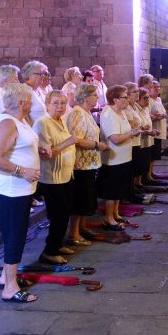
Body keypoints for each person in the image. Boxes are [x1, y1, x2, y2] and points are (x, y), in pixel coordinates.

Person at [0, 83, 42, 302]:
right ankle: (10, 287)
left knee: (15, 235)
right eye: (30, 99)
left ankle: (6, 276)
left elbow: (20, 147)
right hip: (10, 190)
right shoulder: (7, 123)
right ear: (21, 102)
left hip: (21, 189)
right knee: (14, 237)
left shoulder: (18, 121)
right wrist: (22, 171)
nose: (32, 103)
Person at [33, 90, 77, 264]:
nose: (60, 106)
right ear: (47, 104)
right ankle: (49, 251)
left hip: (66, 175)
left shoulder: (61, 121)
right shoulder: (43, 123)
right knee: (58, 214)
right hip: (52, 177)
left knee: (65, 212)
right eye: (56, 103)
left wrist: (73, 160)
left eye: (63, 103)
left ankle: (57, 244)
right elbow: (46, 154)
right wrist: (69, 142)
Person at [64, 84, 108, 246]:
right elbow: (76, 140)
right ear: (84, 97)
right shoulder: (77, 114)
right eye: (94, 95)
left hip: (89, 163)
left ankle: (82, 228)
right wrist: (97, 145)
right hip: (80, 164)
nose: (97, 97)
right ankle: (73, 233)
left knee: (87, 199)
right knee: (80, 200)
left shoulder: (86, 112)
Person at [96, 86, 135, 230]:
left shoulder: (121, 111)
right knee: (112, 190)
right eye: (125, 97)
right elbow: (115, 139)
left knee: (119, 188)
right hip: (114, 159)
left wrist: (132, 131)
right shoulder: (108, 114)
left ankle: (116, 214)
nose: (127, 99)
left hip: (124, 157)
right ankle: (109, 218)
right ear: (115, 100)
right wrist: (131, 134)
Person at [148, 80, 168, 180]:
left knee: (155, 154)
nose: (157, 88)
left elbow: (161, 112)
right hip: (153, 130)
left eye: (158, 87)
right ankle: (149, 174)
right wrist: (156, 117)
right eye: (154, 87)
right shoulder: (149, 101)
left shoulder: (159, 99)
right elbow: (147, 116)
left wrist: (166, 125)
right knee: (152, 154)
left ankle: (152, 172)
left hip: (160, 128)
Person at [20, 61, 51, 125]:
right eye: (41, 73)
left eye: (44, 73)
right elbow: (23, 116)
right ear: (30, 75)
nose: (43, 76)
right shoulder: (24, 90)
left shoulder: (38, 89)